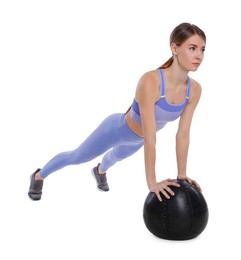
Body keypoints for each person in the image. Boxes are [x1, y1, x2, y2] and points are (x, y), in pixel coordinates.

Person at [28, 22, 206, 202]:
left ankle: (99, 171)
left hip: (137, 141)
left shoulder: (194, 90)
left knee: (114, 158)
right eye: (192, 48)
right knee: (78, 157)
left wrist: (182, 175)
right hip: (116, 130)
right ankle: (38, 176)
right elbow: (151, 137)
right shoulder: (152, 81)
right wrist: (152, 183)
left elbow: (182, 135)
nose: (199, 55)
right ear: (174, 48)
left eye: (202, 49)